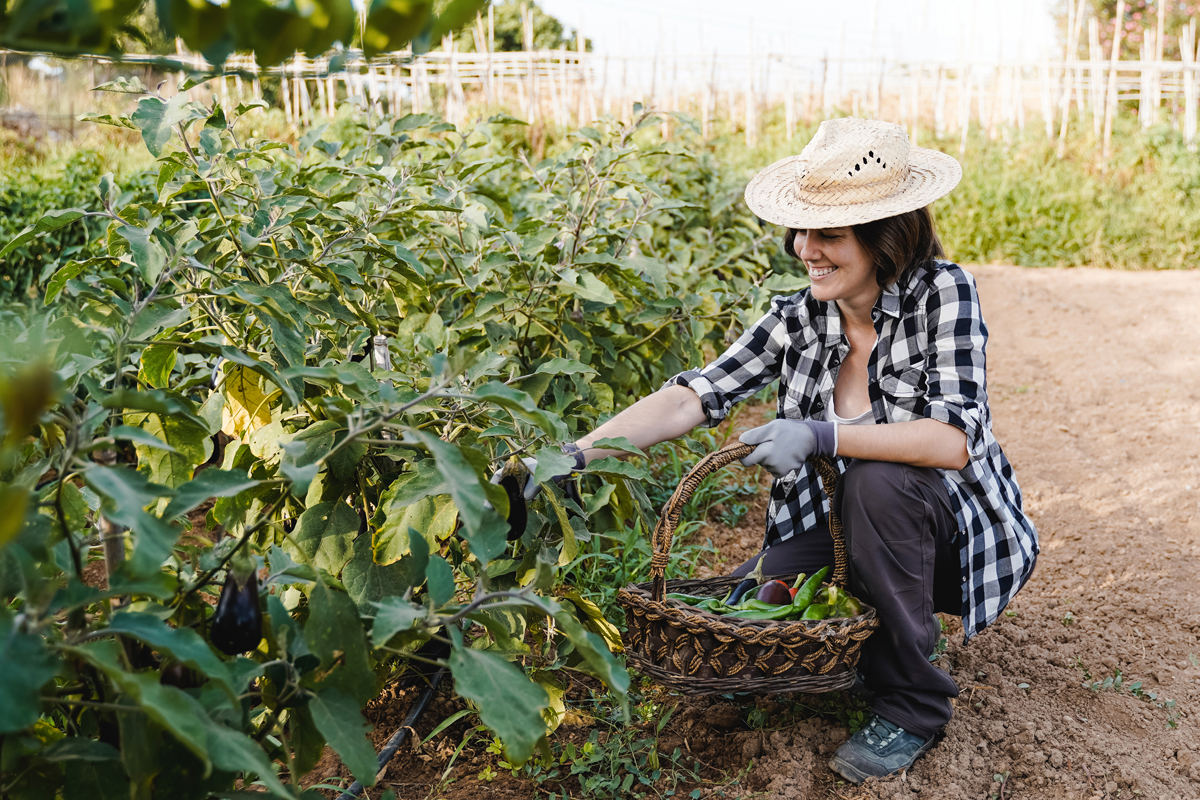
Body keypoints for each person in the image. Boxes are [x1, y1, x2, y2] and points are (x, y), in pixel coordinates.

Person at [511, 117, 1039, 783]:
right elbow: (691, 398)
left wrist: (820, 434)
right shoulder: (799, 316)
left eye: (829, 234)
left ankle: (913, 703)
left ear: (886, 236)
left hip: (950, 544)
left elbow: (952, 441)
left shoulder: (942, 293)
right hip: (852, 536)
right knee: (751, 608)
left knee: (876, 480)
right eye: (800, 230)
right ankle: (871, 638)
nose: (804, 249)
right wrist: (570, 456)